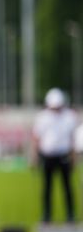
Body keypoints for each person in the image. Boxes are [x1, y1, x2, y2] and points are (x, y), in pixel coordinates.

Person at [33, 88, 78, 223]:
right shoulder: (42, 117)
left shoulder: (69, 117)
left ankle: (70, 215)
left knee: (67, 187)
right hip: (48, 155)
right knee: (47, 188)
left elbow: (72, 138)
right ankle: (47, 215)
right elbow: (36, 137)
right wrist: (35, 155)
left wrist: (73, 156)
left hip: (64, 155)